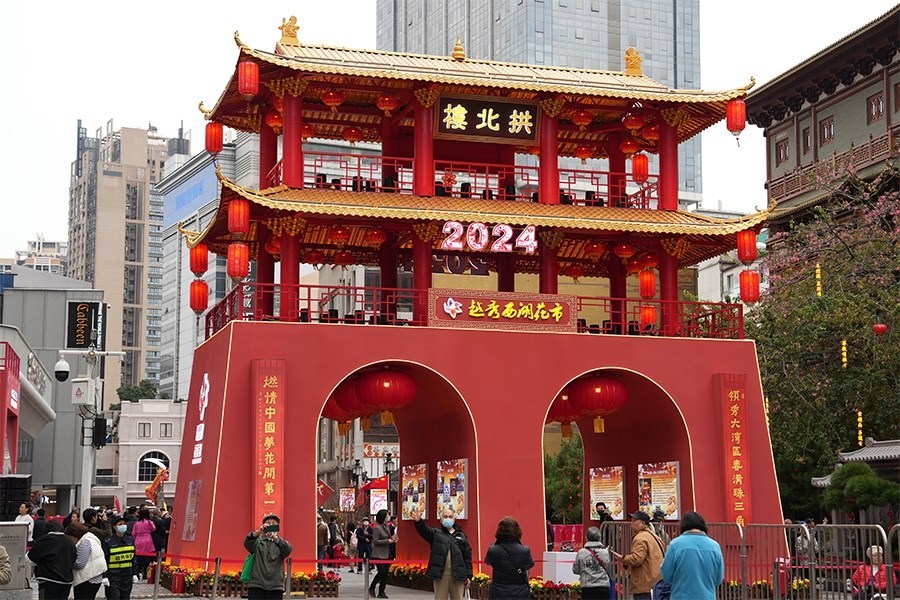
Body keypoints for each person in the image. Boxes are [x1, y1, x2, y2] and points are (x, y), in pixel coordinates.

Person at [411, 507, 473, 600]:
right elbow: (424, 530)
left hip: (458, 575)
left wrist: (469, 576)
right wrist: (419, 522)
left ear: (454, 519)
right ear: (441, 519)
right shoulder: (435, 533)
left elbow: (467, 557)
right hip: (441, 575)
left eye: (450, 516)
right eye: (445, 516)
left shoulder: (461, 536)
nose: (448, 518)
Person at [660, 511, 724, 600]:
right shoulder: (715, 546)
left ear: (683, 525)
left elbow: (666, 576)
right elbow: (718, 579)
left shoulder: (675, 545)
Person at [610, 511, 664, 600]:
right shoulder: (654, 536)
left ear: (642, 523)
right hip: (655, 582)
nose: (631, 524)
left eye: (634, 521)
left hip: (643, 583)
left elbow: (636, 559)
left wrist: (622, 558)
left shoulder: (640, 538)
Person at [243, 513, 293, 600]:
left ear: (277, 527)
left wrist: (276, 539)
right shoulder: (257, 542)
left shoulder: (281, 543)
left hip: (276, 586)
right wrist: (258, 532)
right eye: (268, 523)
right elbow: (247, 542)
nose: (271, 525)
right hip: (257, 585)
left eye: (274, 523)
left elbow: (288, 550)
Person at [485, 516, 534, 600]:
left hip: (499, 593)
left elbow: (488, 562)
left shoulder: (493, 550)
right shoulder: (525, 550)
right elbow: (529, 566)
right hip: (521, 593)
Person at [28, 520, 77, 600]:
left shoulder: (45, 540)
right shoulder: (69, 541)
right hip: (66, 582)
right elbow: (74, 557)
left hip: (48, 580)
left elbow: (30, 557)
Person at [69, 522, 107, 600]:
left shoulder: (84, 543)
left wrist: (68, 561)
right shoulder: (91, 538)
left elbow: (79, 564)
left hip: (87, 580)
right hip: (95, 578)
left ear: (74, 535)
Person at [572, 526, 612, 600]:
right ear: (599, 538)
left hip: (588, 588)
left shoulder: (581, 552)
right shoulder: (605, 552)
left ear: (586, 538)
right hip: (603, 587)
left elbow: (575, 570)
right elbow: (609, 569)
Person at [105, 515, 136, 600]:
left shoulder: (130, 540)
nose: (123, 526)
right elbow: (105, 560)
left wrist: (135, 573)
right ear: (114, 527)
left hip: (127, 575)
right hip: (113, 576)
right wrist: (105, 576)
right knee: (114, 597)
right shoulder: (108, 542)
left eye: (124, 524)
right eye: (120, 524)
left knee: (125, 597)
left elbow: (133, 558)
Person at [370, 509, 397, 598]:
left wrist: (393, 539)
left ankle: (382, 592)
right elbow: (375, 541)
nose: (388, 517)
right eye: (387, 515)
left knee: (385, 573)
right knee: (381, 572)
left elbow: (388, 537)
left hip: (386, 554)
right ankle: (372, 587)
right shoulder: (377, 528)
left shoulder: (387, 527)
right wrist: (387, 541)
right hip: (378, 554)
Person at [131, 508, 156, 579]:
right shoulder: (149, 522)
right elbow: (153, 529)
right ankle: (145, 572)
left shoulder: (136, 523)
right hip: (147, 540)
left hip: (138, 540)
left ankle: (138, 572)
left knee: (138, 558)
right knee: (147, 558)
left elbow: (133, 533)